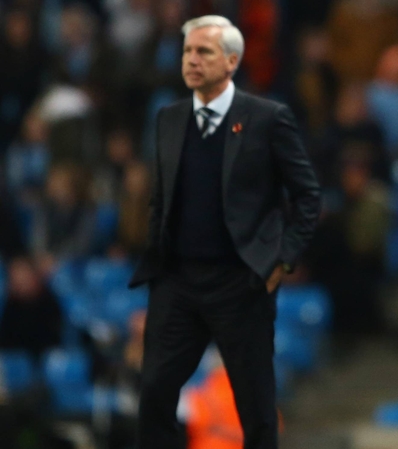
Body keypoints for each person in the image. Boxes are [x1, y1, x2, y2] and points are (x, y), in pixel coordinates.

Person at [127, 15, 320, 449]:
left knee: (255, 407)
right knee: (154, 391)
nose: (192, 60)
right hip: (178, 281)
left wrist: (283, 259)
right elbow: (162, 195)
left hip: (241, 282)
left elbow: (307, 196)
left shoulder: (268, 117)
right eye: (187, 51)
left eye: (204, 52)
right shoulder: (169, 118)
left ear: (231, 61)